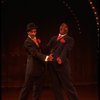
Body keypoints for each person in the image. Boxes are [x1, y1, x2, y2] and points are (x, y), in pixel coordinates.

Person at [19, 22, 53, 100]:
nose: (34, 33)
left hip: (40, 68)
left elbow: (42, 50)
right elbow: (35, 53)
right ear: (28, 32)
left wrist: (51, 51)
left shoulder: (37, 40)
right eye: (32, 32)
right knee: (26, 89)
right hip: (32, 69)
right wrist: (46, 58)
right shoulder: (27, 42)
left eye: (35, 31)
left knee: (37, 89)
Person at [45, 22, 79, 100]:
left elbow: (66, 50)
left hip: (62, 65)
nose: (62, 27)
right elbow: (47, 48)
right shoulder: (53, 38)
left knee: (68, 86)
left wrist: (61, 58)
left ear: (67, 29)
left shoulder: (69, 39)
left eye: (64, 27)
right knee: (56, 87)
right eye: (61, 26)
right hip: (52, 65)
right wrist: (38, 45)